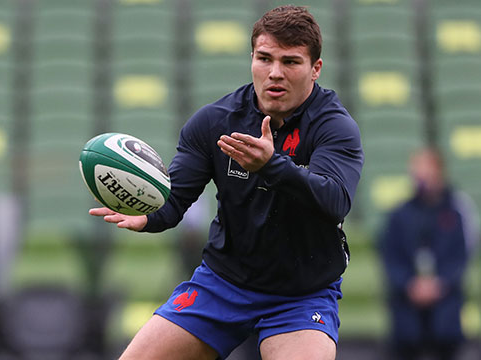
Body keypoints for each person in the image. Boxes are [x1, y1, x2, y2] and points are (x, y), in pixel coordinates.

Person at [89, 5, 363, 360]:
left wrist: (272, 166)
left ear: (315, 69)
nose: (275, 73)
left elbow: (335, 200)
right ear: (252, 59)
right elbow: (174, 202)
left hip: (301, 294)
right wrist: (148, 215)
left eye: (291, 62)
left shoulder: (334, 127)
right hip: (223, 283)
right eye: (265, 58)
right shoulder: (215, 121)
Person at [378, 148, 481, 360]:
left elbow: (461, 257)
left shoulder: (455, 212)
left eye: (426, 170)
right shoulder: (399, 215)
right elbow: (390, 257)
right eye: (416, 170)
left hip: (445, 304)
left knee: (447, 326)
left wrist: (439, 284)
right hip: (407, 304)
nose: (420, 176)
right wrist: (409, 285)